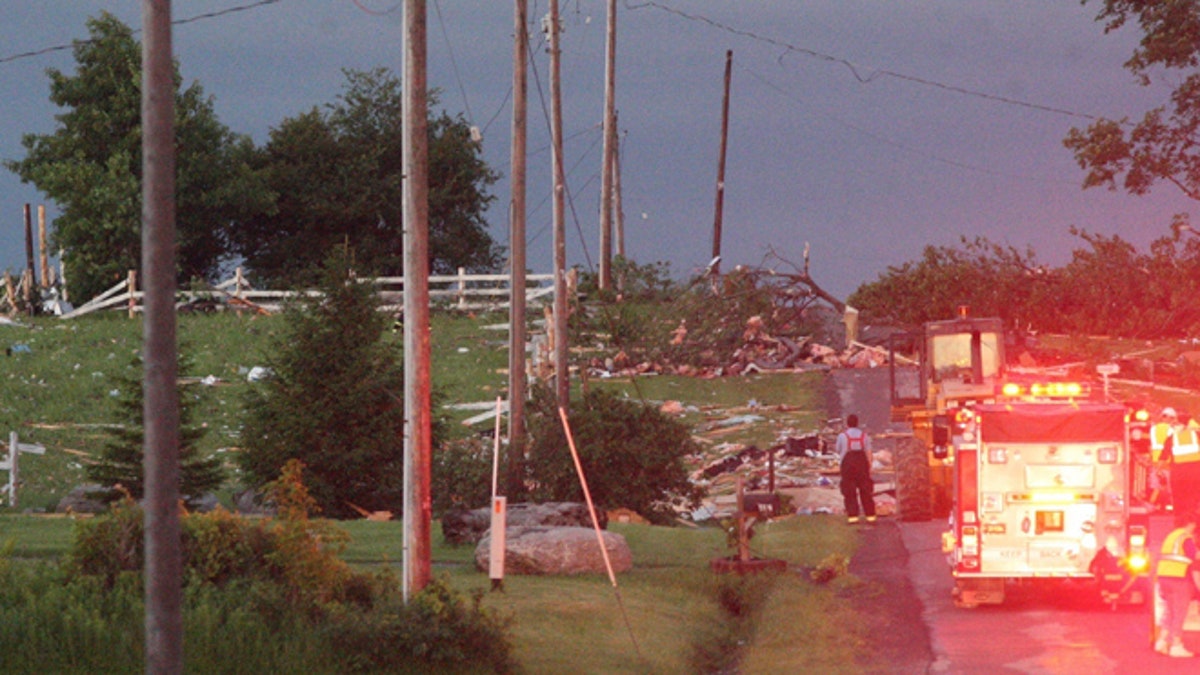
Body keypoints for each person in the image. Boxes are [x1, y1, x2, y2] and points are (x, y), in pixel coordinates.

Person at [1154, 509, 1200, 657]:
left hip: (1164, 577)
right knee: (1179, 612)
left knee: (1171, 611)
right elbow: (1195, 555)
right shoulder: (1185, 537)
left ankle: (1162, 641)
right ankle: (1176, 645)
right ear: (1191, 524)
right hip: (1179, 578)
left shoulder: (1171, 536)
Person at [837, 414, 875, 524]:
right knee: (866, 490)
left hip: (847, 465)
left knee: (849, 491)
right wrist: (869, 466)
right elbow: (868, 452)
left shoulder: (842, 436)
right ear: (857, 423)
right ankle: (870, 516)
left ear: (847, 424)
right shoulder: (864, 436)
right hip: (862, 465)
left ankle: (853, 516)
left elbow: (838, 450)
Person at [1162, 410, 1200, 515]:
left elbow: (1163, 456)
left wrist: (1159, 470)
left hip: (1178, 477)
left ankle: (1181, 521)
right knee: (1195, 499)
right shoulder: (1196, 435)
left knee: (1179, 502)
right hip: (1196, 475)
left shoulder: (1171, 438)